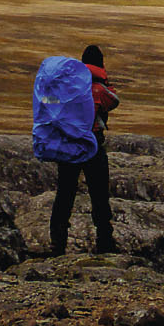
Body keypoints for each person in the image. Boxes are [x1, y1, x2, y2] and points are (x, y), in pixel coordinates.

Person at [49, 44, 120, 256]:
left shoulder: (67, 85)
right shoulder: (99, 88)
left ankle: (57, 244)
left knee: (64, 194)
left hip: (68, 144)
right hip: (92, 143)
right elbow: (113, 101)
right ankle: (105, 242)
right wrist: (104, 81)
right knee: (99, 193)